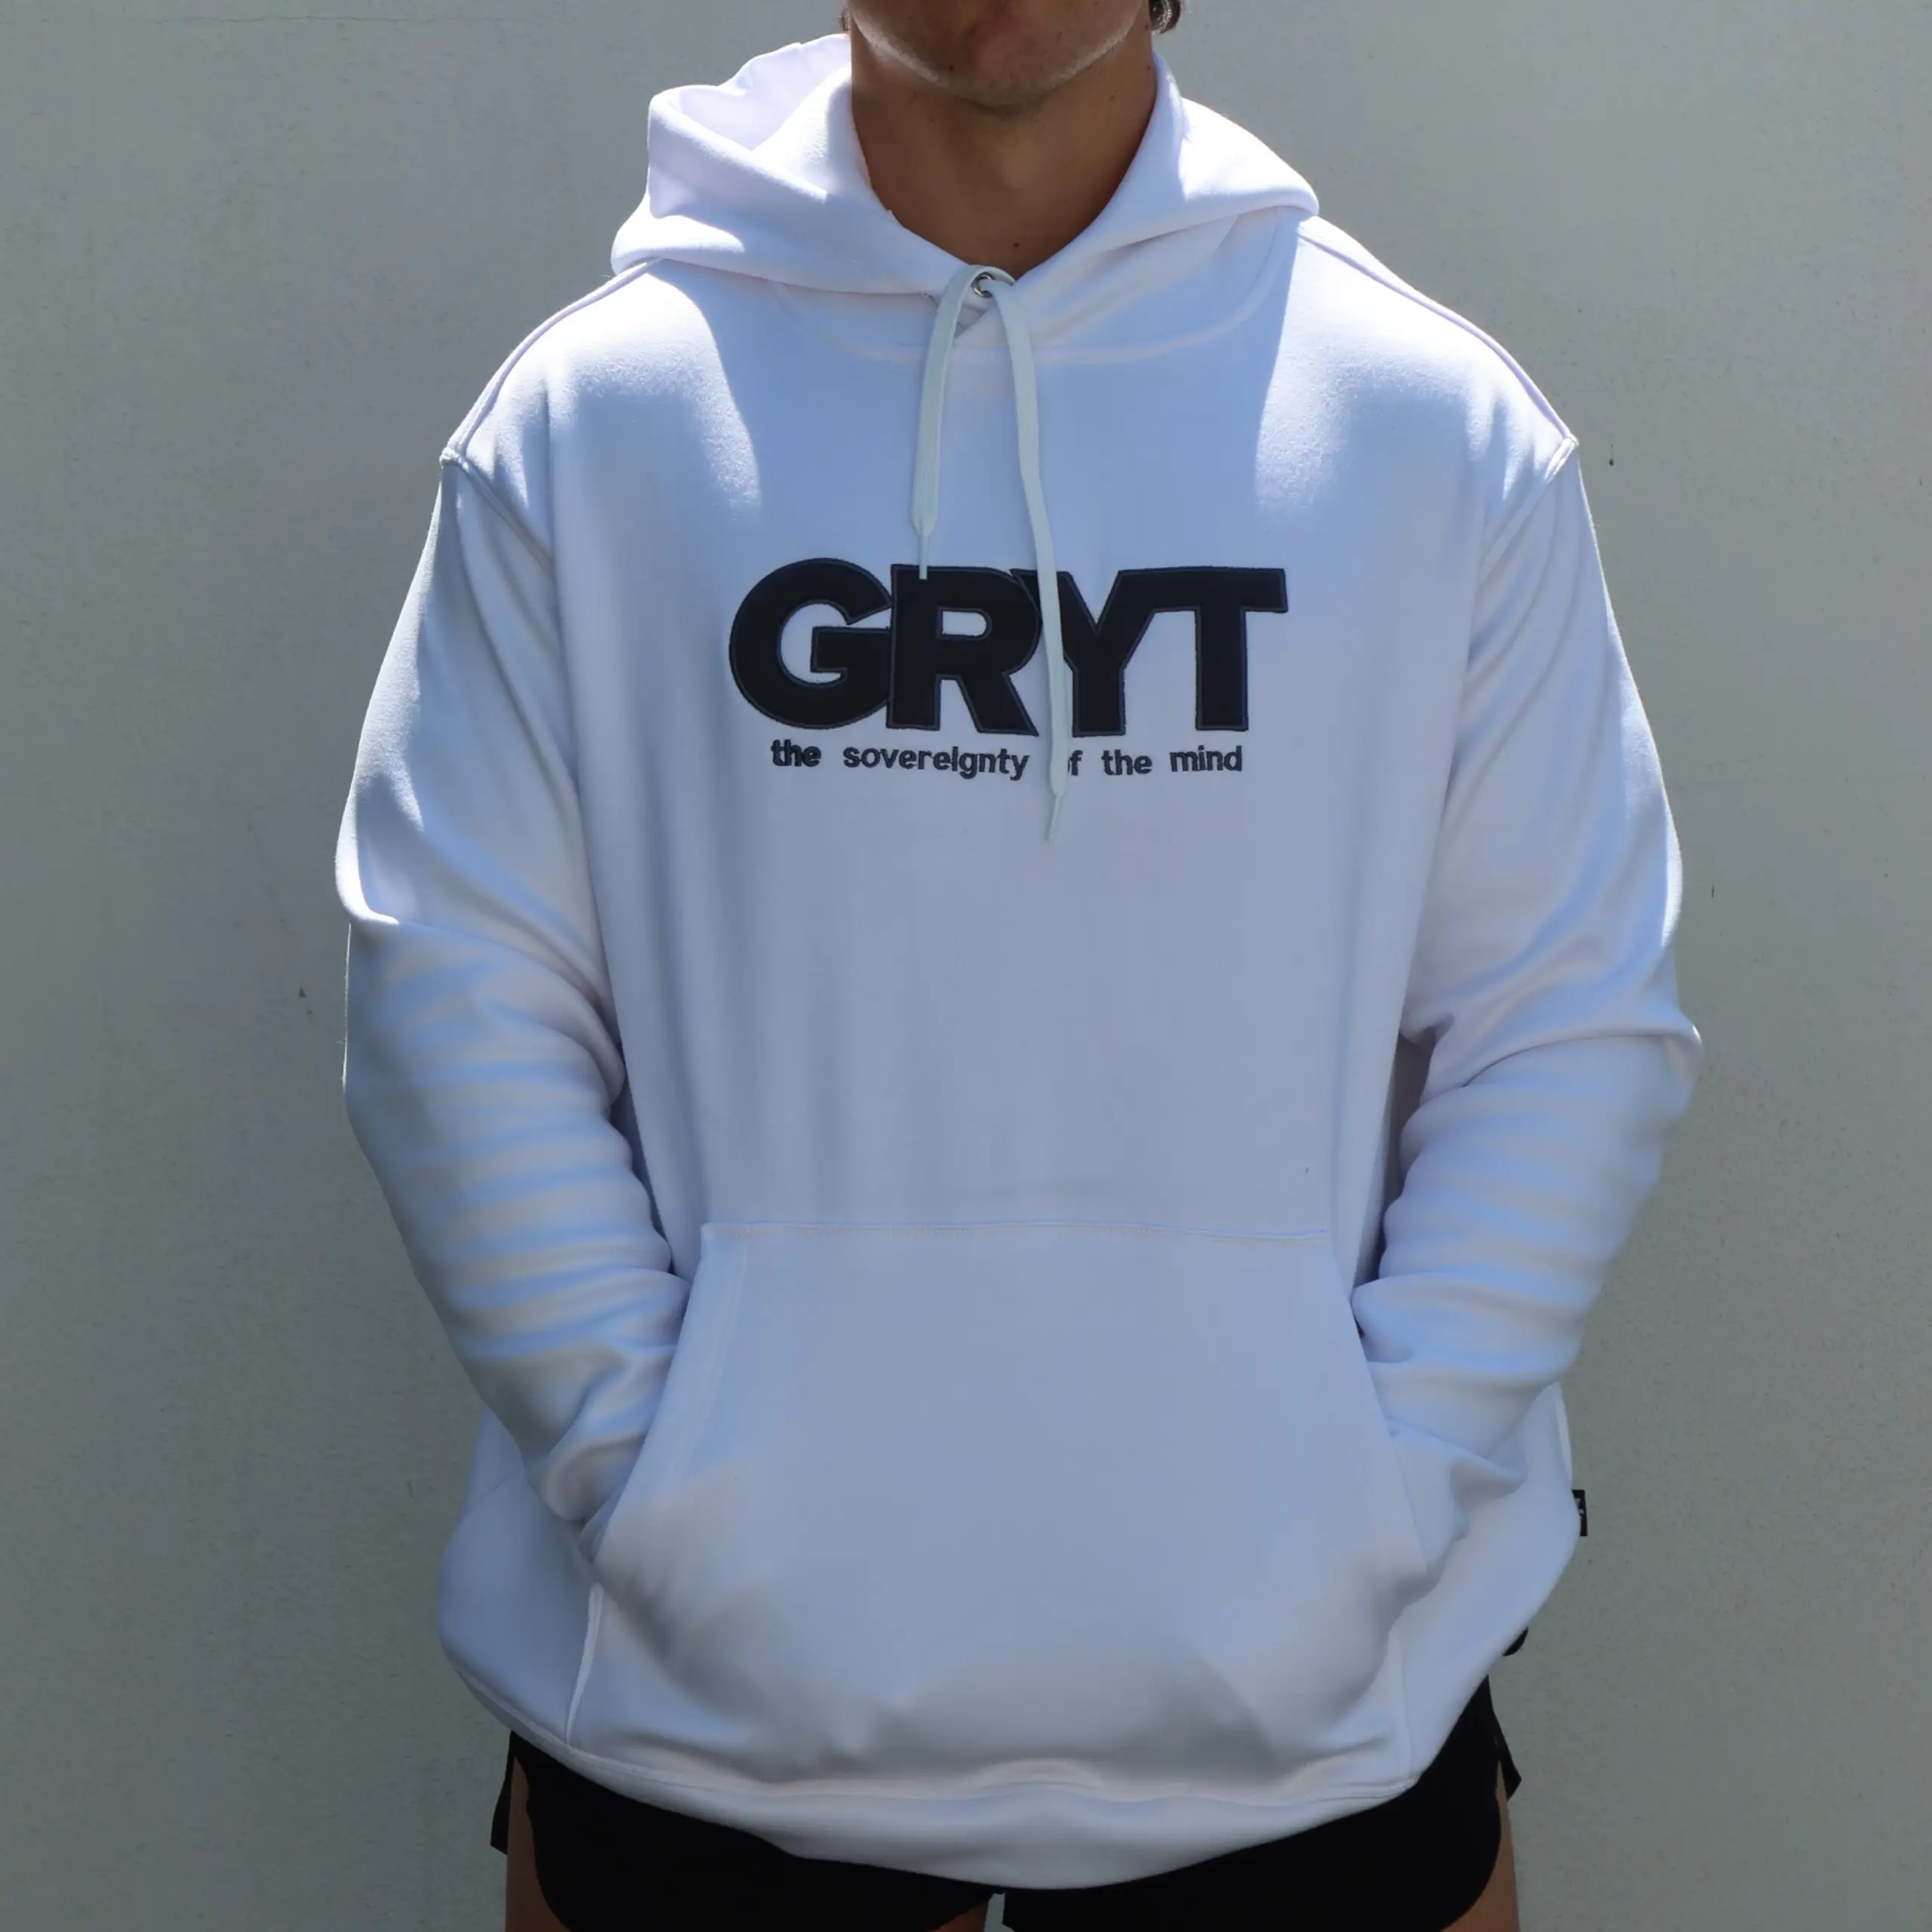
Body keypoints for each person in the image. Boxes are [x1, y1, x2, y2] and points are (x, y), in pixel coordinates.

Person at [334, 2, 1701, 1927]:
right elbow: (454, 998)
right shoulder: (595, 424)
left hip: (1315, 1720)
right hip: (692, 1722)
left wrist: (1369, 1502)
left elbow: (1562, 1019)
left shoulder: (1423, 428)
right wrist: (656, 1490)